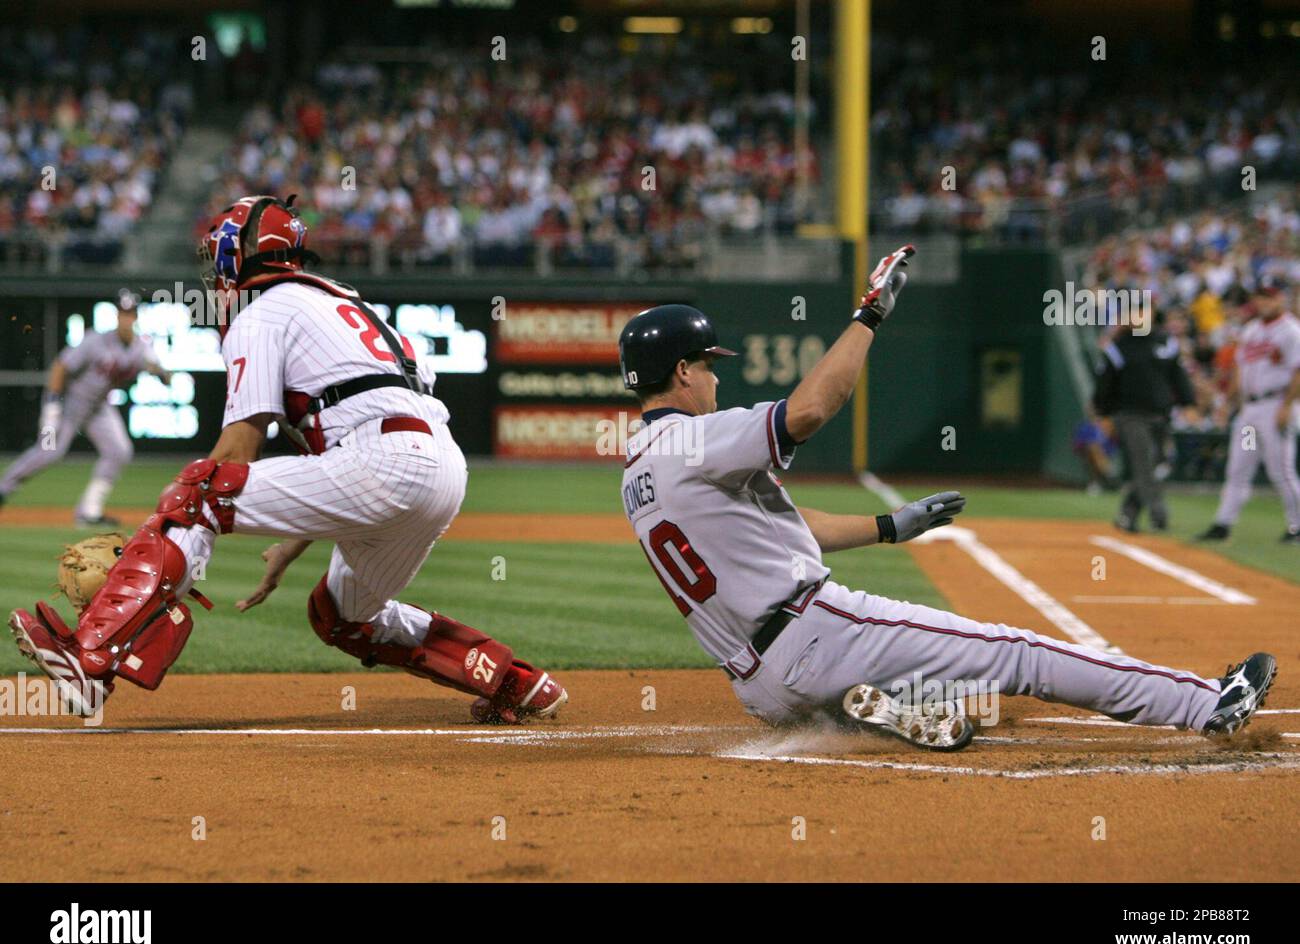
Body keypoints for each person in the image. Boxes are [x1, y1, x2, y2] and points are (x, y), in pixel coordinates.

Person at [617, 246, 1275, 751]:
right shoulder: (699, 438)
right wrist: (868, 314)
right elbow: (813, 408)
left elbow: (783, 527)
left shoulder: (635, 471)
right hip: (817, 632)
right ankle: (1206, 703)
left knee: (975, 701)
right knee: (1022, 654)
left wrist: (887, 525)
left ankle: (876, 706)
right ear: (682, 371)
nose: (713, 375)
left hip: (759, 686)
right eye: (707, 363)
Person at [8, 195, 567, 724]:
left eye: (218, 254)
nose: (214, 269)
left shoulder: (264, 310)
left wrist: (153, 543)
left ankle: (90, 657)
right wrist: (295, 537)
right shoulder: (349, 303)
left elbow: (239, 448)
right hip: (440, 470)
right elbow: (347, 440)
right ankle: (515, 682)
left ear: (238, 253)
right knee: (344, 618)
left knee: (200, 489)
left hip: (382, 460)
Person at [0, 288, 173, 527]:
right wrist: (51, 406)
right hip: (66, 404)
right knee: (48, 450)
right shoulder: (96, 340)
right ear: (116, 315)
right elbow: (60, 367)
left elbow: (162, 373)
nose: (126, 318)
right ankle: (3, 489)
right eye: (122, 313)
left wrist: (161, 372)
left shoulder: (141, 347)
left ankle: (89, 511)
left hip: (98, 407)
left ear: (135, 317)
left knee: (119, 450)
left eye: (130, 313)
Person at [1197, 278, 1300, 543]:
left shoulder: (1290, 330)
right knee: (1239, 467)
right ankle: (1223, 523)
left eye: (1269, 297)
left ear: (1280, 299)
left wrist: (1287, 406)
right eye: (1261, 297)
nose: (1264, 302)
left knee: (1281, 470)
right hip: (1250, 412)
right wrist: (1226, 404)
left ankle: (1297, 525)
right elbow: (1239, 370)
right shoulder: (1252, 329)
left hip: (1275, 405)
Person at [1091, 308, 1195, 532]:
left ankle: (1127, 514)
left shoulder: (1165, 343)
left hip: (1161, 415)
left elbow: (1178, 376)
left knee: (1159, 465)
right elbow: (1104, 385)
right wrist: (1103, 415)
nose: (1138, 317)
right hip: (1130, 415)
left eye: (1142, 311)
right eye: (1133, 312)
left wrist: (1188, 404)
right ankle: (1159, 514)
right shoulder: (1118, 347)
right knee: (1144, 464)